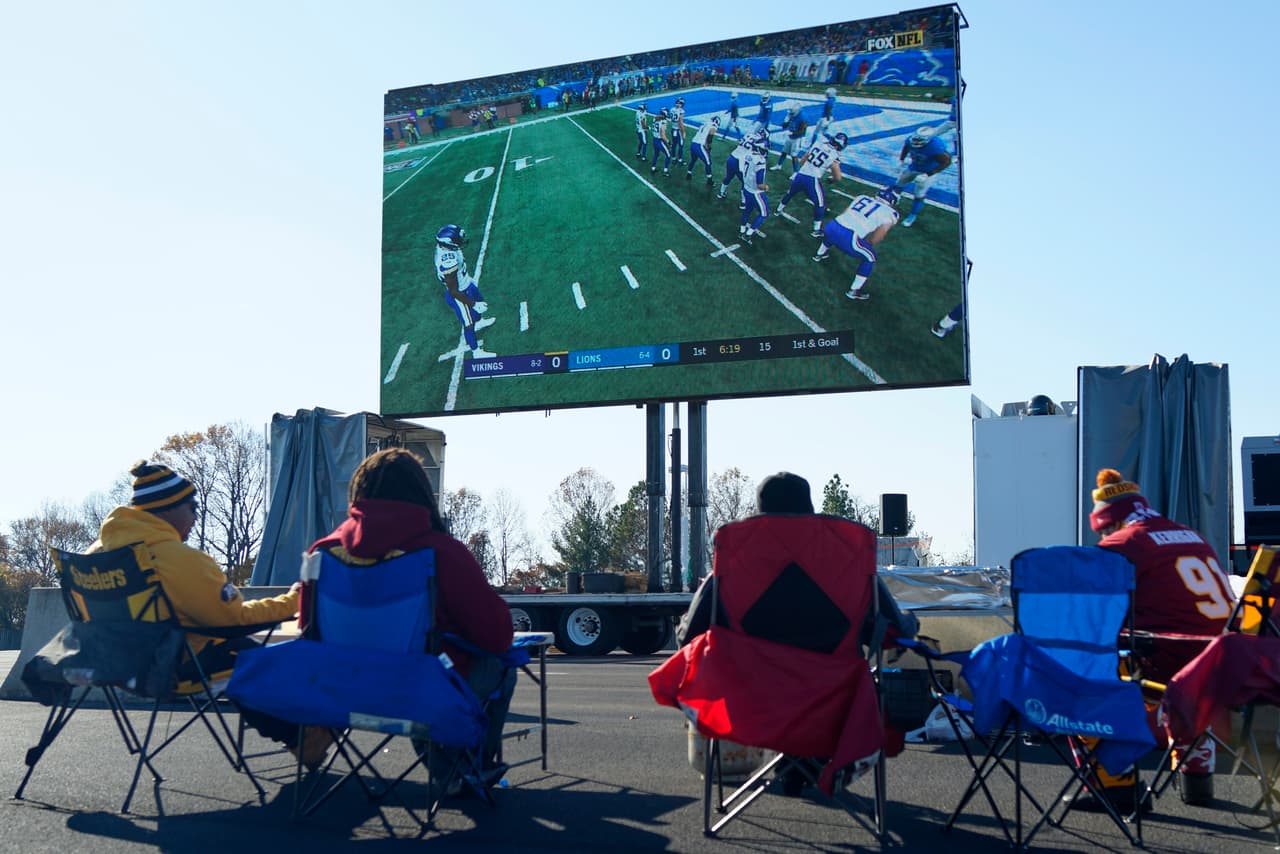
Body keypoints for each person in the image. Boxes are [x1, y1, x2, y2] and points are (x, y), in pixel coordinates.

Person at [677, 472, 918, 794]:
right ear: (810, 509)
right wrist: (909, 623)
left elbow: (688, 635)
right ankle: (807, 761)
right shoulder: (849, 563)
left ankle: (796, 763)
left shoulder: (732, 566)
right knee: (829, 672)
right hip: (836, 699)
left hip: (748, 700)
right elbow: (895, 629)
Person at [310, 448, 515, 784]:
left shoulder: (322, 552)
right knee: (501, 666)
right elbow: (496, 636)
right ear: (421, 493)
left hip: (338, 691)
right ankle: (461, 769)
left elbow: (310, 628)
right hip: (419, 692)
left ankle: (454, 770)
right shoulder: (441, 553)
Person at [91, 462, 314, 763]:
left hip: (116, 666)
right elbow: (233, 620)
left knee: (238, 653)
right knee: (248, 655)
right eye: (192, 506)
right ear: (167, 509)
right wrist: (293, 602)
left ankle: (303, 736)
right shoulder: (179, 559)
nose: (197, 515)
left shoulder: (101, 555)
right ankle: (300, 737)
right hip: (173, 669)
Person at [1083, 468, 1235, 810]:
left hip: (1171, 660)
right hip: (1227, 664)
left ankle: (1113, 784)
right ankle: (1197, 779)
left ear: (1114, 521)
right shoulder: (1191, 534)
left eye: (1104, 528)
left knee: (1079, 674)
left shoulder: (1123, 544)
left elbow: (1088, 611)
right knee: (1181, 673)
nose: (1103, 535)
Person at [812, 186, 901, 301]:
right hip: (849, 237)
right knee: (871, 257)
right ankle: (854, 291)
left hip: (831, 226)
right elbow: (877, 236)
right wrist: (867, 242)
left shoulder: (862, 197)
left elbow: (845, 214)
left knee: (834, 232)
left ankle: (819, 254)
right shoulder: (891, 213)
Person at [434, 224, 495, 359]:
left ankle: (479, 322)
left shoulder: (445, 247)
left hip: (466, 283)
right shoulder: (447, 260)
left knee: (480, 300)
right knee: (468, 324)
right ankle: (476, 352)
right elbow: (454, 291)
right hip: (459, 294)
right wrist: (472, 304)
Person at [776, 131, 847, 238]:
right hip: (812, 179)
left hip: (801, 175)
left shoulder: (819, 143)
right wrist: (832, 179)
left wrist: (799, 170)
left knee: (790, 193)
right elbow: (838, 177)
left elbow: (805, 157)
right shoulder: (834, 155)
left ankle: (778, 209)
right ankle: (816, 230)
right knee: (820, 204)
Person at [891, 126, 952, 227]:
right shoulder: (910, 140)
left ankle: (912, 215)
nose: (916, 142)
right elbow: (906, 147)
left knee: (919, 194)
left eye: (919, 140)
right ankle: (892, 204)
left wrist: (928, 174)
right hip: (914, 167)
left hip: (928, 170)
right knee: (898, 185)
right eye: (915, 139)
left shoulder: (935, 146)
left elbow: (946, 161)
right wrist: (901, 160)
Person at [737, 137, 770, 245]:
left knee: (747, 210)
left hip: (746, 188)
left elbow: (742, 170)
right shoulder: (760, 161)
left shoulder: (748, 154)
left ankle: (741, 231)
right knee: (764, 213)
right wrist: (766, 187)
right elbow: (760, 185)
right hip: (755, 192)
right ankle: (748, 234)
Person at [685, 115, 718, 185]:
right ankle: (709, 180)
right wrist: (709, 148)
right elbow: (709, 140)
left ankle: (689, 173)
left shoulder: (705, 124)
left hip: (693, 143)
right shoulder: (713, 126)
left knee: (693, 160)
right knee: (708, 162)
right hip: (699, 146)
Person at [649, 107, 673, 177]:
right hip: (659, 141)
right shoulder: (663, 122)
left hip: (654, 140)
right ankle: (665, 171)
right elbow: (662, 135)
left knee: (656, 154)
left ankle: (653, 168)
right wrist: (668, 142)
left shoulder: (655, 119)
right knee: (668, 155)